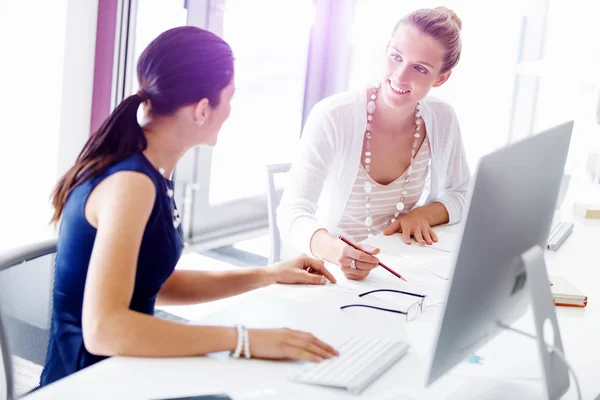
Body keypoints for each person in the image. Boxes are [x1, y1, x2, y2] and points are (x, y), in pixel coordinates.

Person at [40, 26, 338, 387]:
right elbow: (105, 331)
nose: (230, 110)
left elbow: (150, 284)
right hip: (88, 385)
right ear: (201, 110)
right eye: (229, 97)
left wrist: (268, 274)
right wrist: (244, 339)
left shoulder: (147, 169)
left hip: (123, 371)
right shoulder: (130, 184)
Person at [277, 7, 471, 281]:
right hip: (331, 272)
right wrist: (337, 252)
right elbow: (292, 213)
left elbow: (462, 192)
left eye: (419, 68)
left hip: (402, 269)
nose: (400, 77)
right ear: (386, 49)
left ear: (441, 78)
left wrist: (424, 214)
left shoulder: (442, 118)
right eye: (396, 57)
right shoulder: (333, 116)